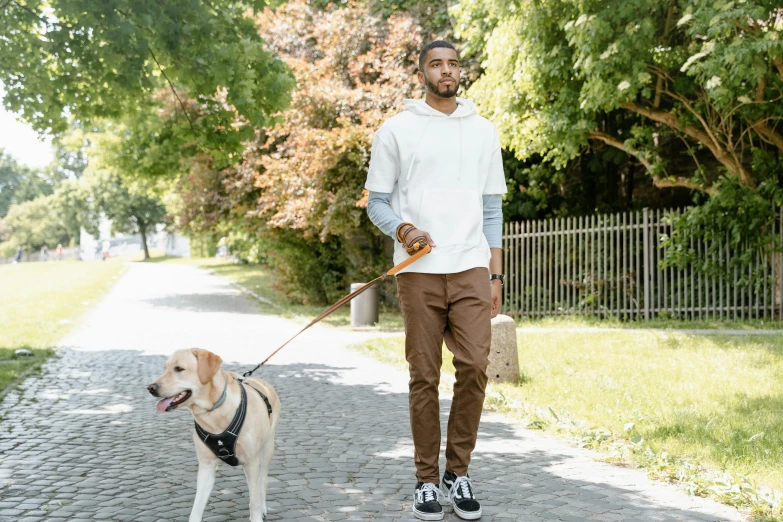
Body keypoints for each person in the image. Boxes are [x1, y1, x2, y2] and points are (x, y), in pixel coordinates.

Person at [365, 41, 507, 521]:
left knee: (474, 366)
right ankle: (427, 480)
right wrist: (403, 229)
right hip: (418, 272)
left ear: (459, 71)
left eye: (452, 64)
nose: (446, 71)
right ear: (421, 72)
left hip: (469, 266)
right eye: (435, 64)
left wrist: (494, 272)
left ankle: (458, 471)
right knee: (423, 377)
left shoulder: (484, 131)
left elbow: (491, 208)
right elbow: (377, 201)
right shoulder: (396, 131)